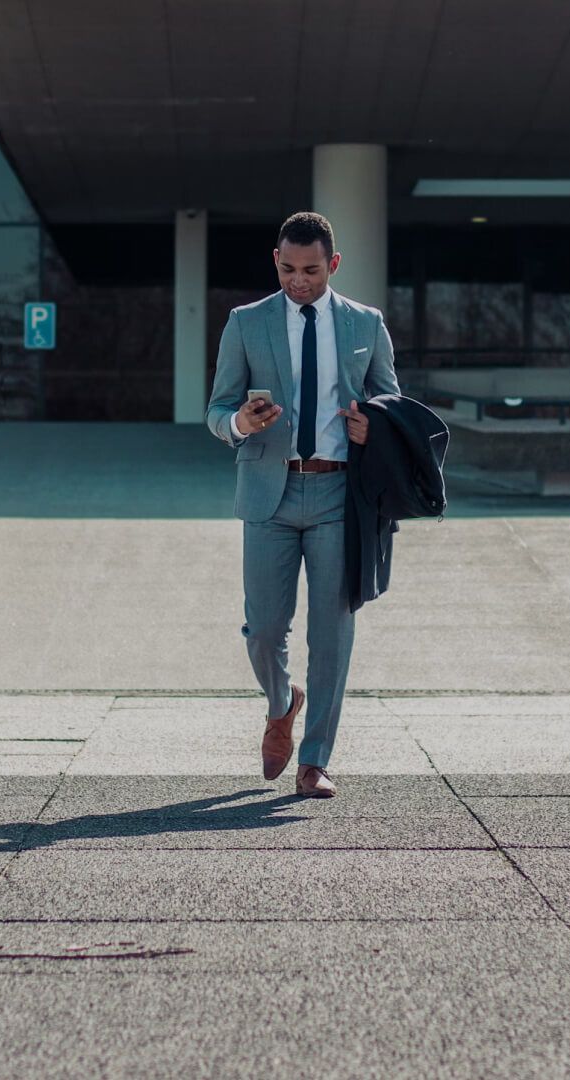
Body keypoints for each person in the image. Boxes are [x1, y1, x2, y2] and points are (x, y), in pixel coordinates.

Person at [205, 211, 400, 798]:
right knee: (264, 631)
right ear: (276, 261)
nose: (299, 281)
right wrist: (238, 422)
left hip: (341, 494)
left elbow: (393, 401)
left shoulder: (366, 323)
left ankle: (314, 761)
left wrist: (376, 428)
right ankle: (282, 699)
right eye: (288, 269)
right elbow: (216, 411)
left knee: (332, 633)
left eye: (311, 270)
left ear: (332, 265)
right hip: (270, 491)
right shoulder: (246, 323)